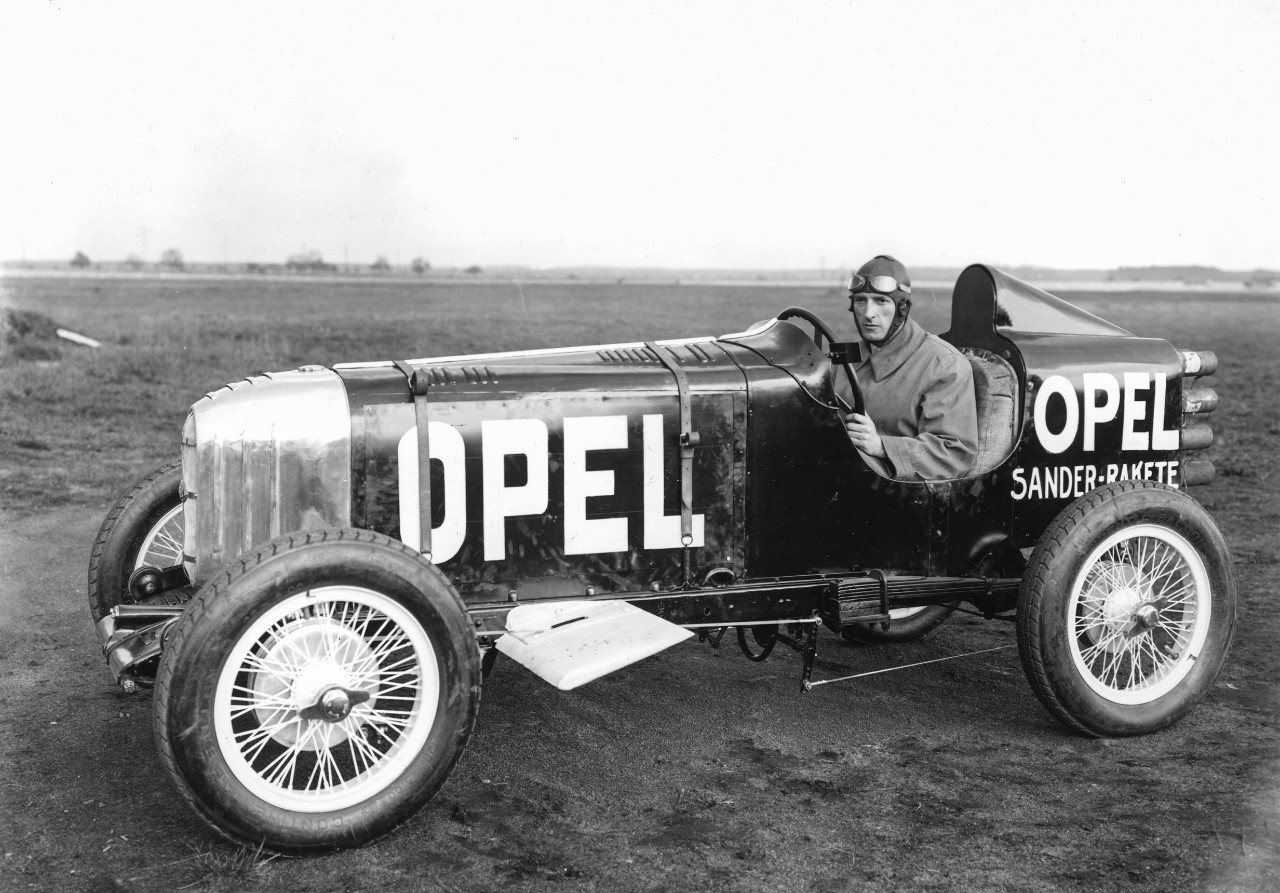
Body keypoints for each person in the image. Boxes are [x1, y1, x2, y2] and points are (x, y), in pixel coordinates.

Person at [837, 255, 978, 481]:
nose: (868, 313)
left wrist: (881, 446)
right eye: (861, 300)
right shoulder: (845, 359)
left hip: (895, 495)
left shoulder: (943, 364)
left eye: (881, 301)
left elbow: (953, 452)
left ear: (902, 307)